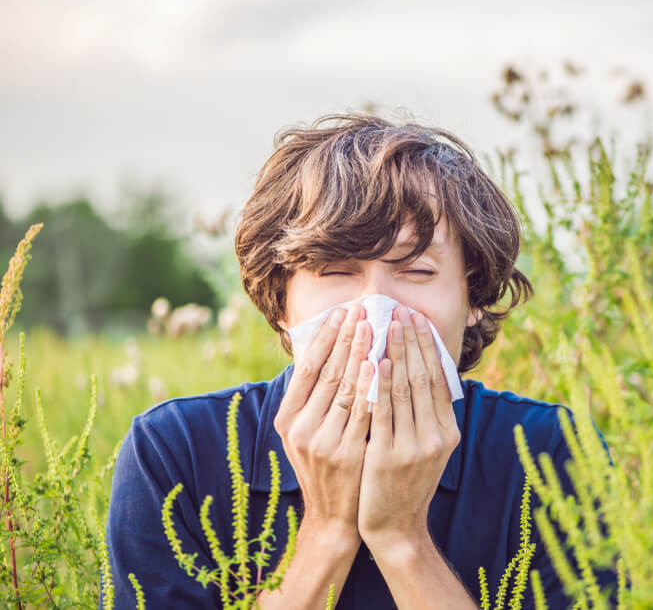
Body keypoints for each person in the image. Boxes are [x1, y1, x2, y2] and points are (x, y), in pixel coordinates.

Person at [103, 113, 616, 608]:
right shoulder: (177, 453)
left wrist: (401, 539)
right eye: (335, 271)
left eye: (415, 271)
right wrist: (327, 528)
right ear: (281, 302)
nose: (375, 310)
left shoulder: (550, 453)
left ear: (473, 296)